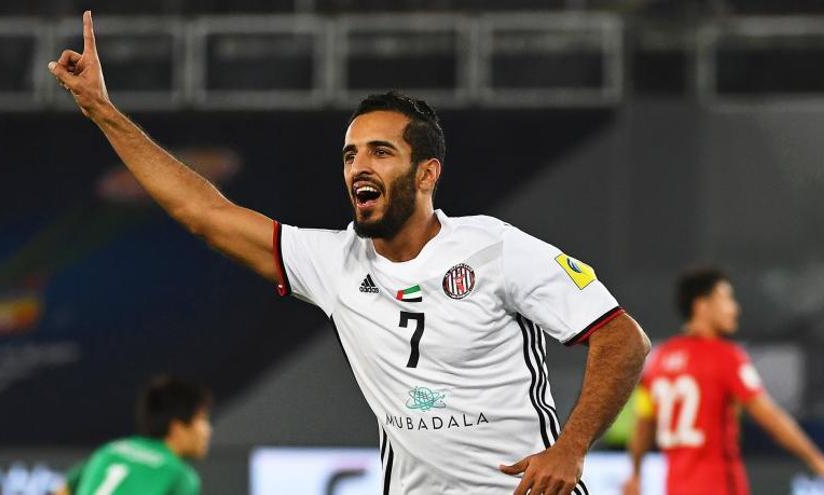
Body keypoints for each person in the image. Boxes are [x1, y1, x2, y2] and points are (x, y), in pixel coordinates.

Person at [48, 12, 651, 495]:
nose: (359, 165)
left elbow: (622, 336)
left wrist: (570, 448)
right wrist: (101, 109)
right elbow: (204, 213)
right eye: (350, 154)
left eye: (381, 152)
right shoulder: (333, 263)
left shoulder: (493, 246)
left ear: (426, 173)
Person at [623, 268, 824, 495]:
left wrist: (635, 474)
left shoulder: (659, 361)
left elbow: (643, 426)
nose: (734, 308)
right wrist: (815, 458)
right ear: (702, 306)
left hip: (676, 488)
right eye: (726, 298)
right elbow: (771, 418)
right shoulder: (725, 357)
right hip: (718, 487)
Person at [55, 376, 212, 495]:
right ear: (177, 428)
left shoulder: (111, 450)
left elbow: (63, 490)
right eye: (202, 420)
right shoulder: (180, 475)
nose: (208, 430)